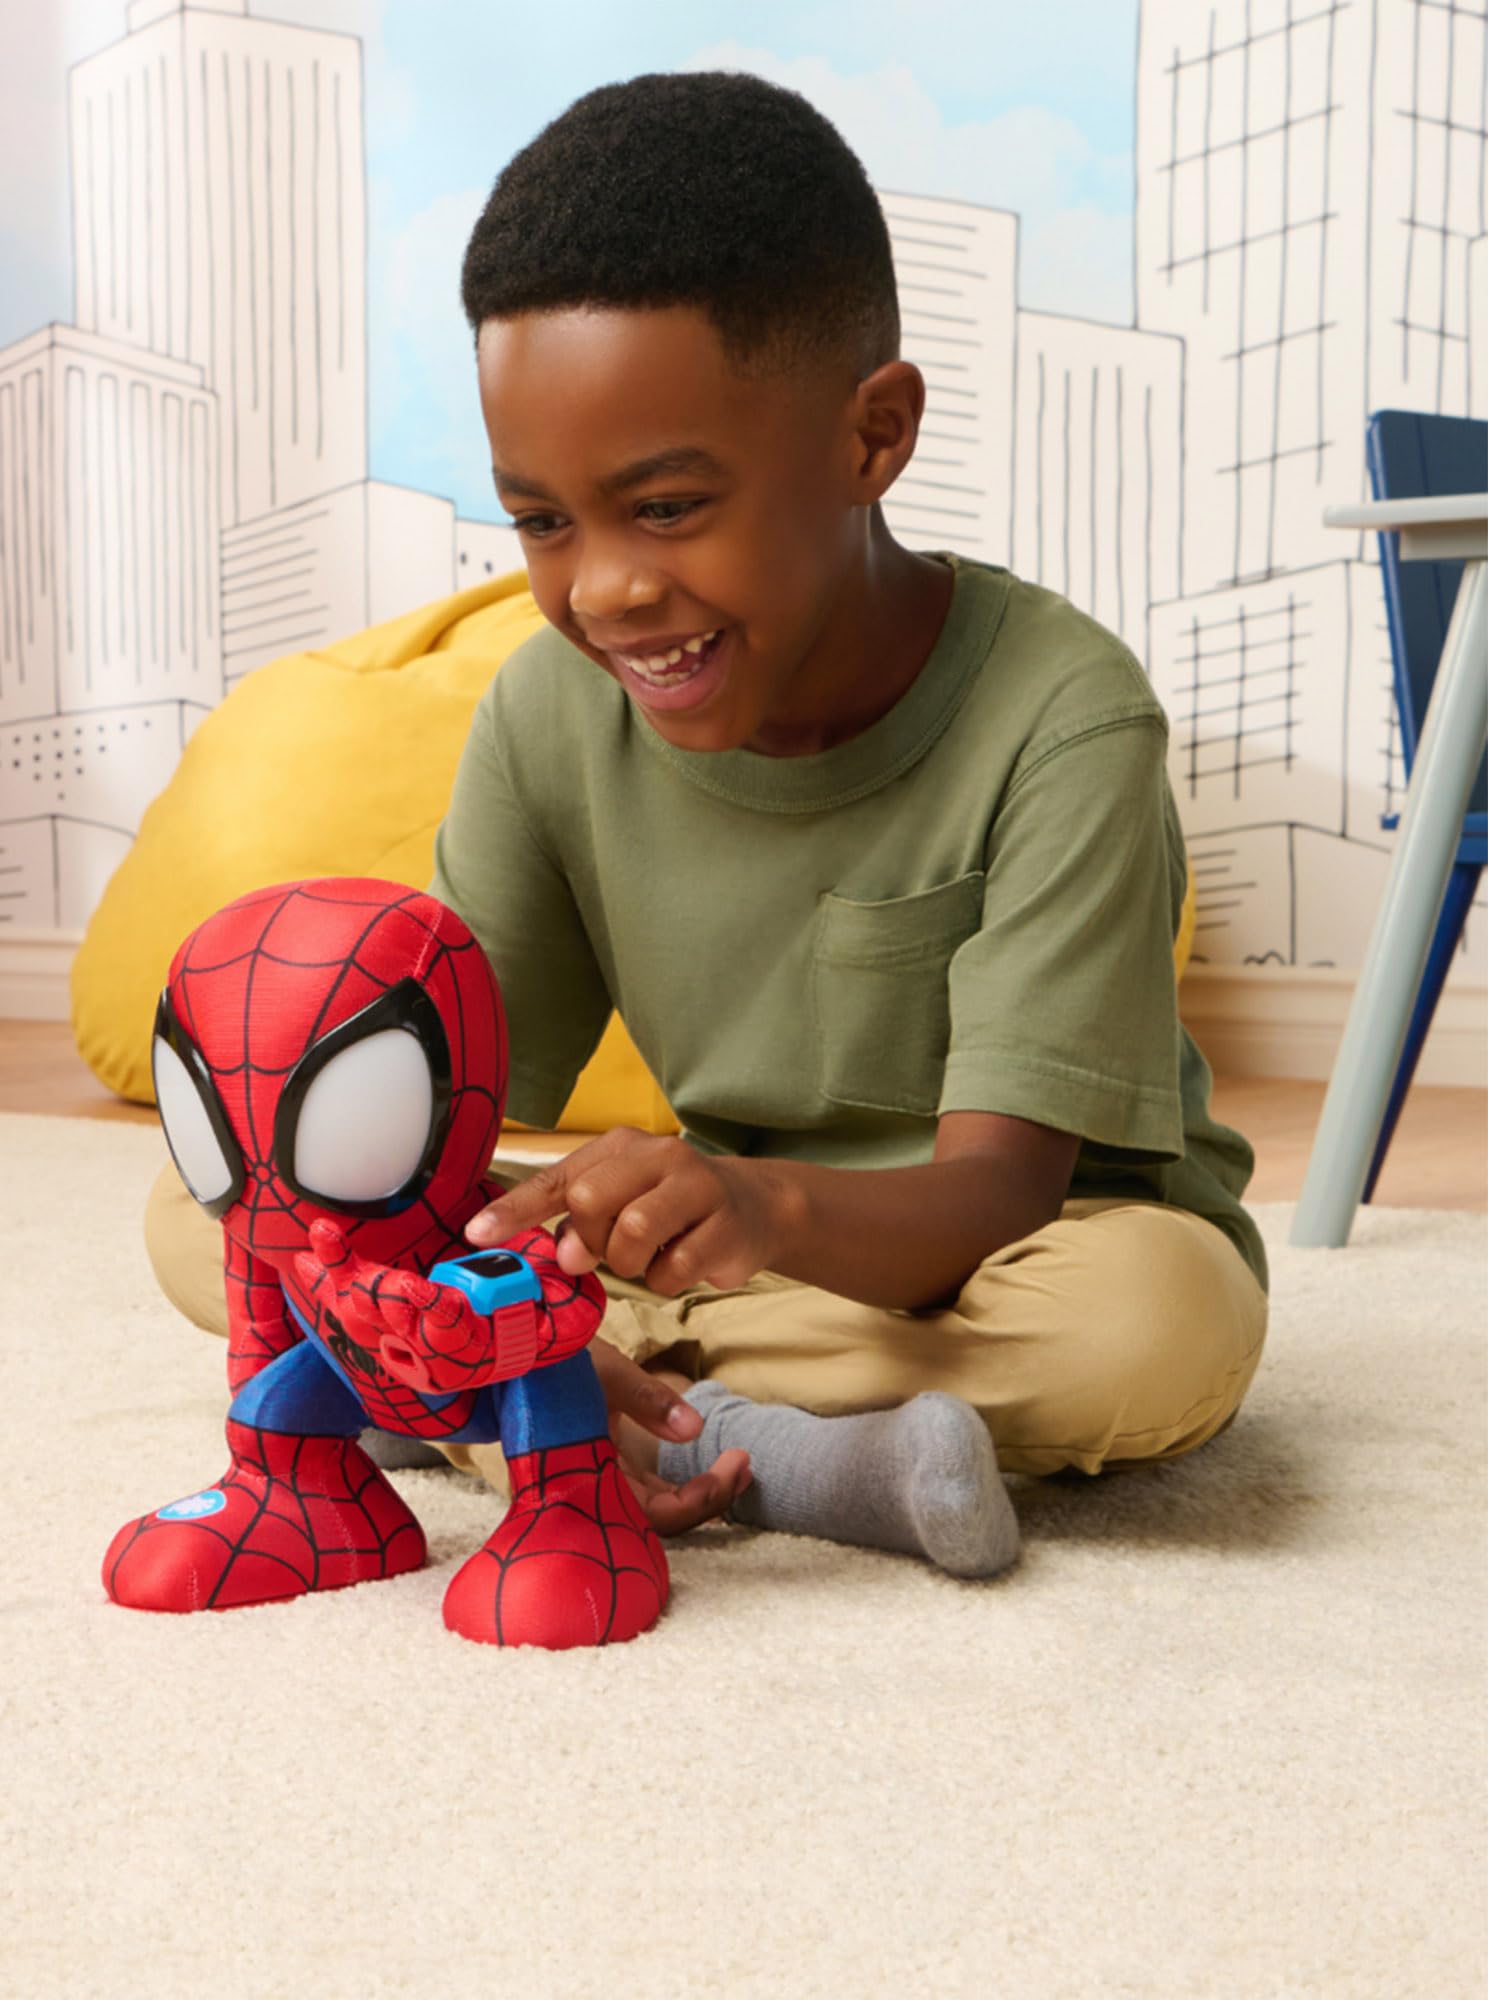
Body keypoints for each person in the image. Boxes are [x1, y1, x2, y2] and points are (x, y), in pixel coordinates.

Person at [144, 69, 1269, 1581]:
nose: (602, 588)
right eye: (544, 521)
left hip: (998, 1252)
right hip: (700, 1259)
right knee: (218, 1193)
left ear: (873, 437)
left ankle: (516, 1403)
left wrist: (750, 1204)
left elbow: (1001, 1189)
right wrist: (421, 1223)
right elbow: (441, 1119)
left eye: (666, 508)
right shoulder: (549, 713)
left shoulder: (1064, 716)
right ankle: (754, 1441)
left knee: (1155, 1332)